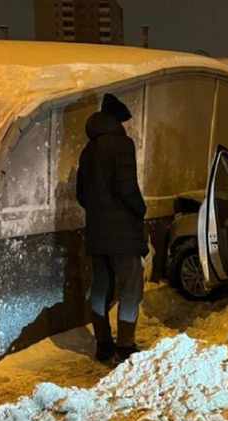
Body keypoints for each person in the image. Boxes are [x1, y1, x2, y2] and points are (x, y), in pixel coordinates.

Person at [76, 94, 147, 362]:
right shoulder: (122, 145)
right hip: (123, 233)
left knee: (101, 286)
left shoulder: (88, 150)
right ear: (117, 121)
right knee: (131, 286)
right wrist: (140, 209)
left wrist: (99, 213)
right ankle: (125, 346)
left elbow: (81, 194)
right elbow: (127, 187)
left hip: (96, 231)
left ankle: (103, 344)